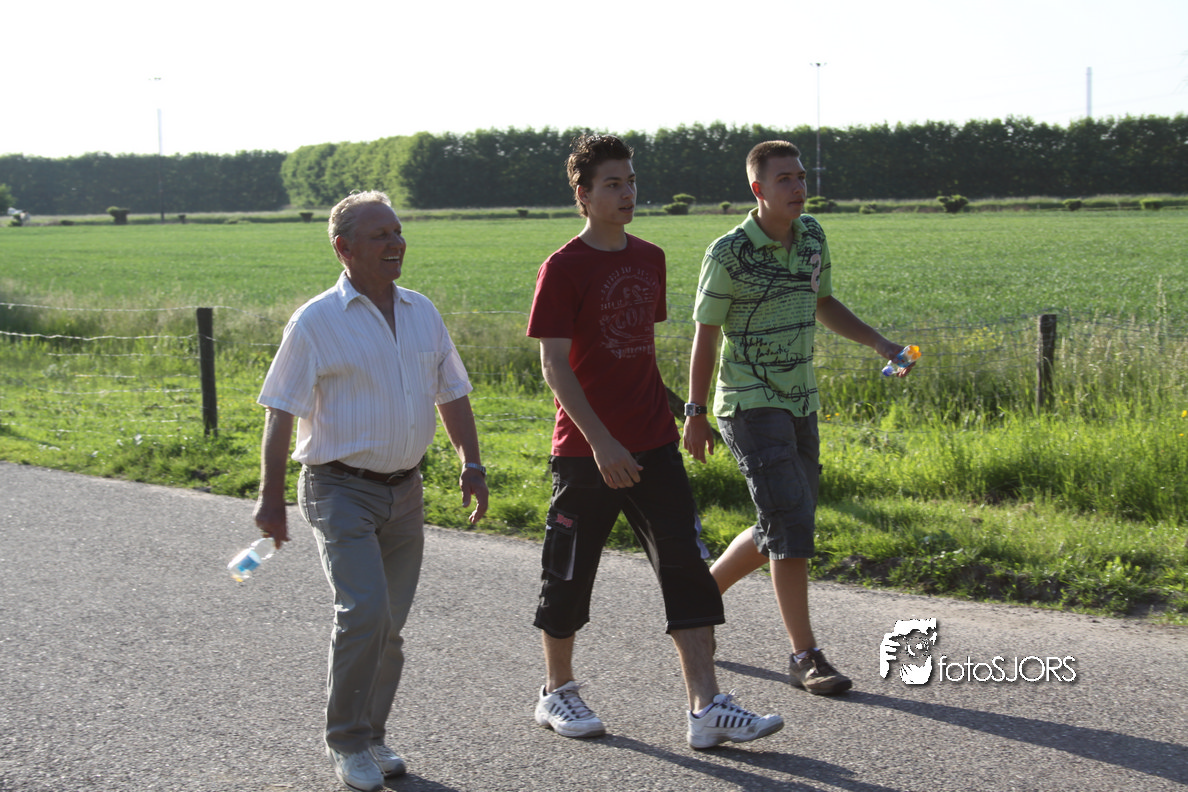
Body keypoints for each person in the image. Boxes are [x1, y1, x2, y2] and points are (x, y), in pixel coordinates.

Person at [526, 134, 783, 750]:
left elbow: (631, 355)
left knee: (687, 570)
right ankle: (556, 690)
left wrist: (684, 410)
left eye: (631, 181)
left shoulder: (649, 258)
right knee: (568, 575)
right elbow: (555, 365)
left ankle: (706, 707)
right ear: (583, 195)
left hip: (655, 445)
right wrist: (602, 443)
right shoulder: (563, 268)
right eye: (612, 184)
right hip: (587, 453)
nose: (627, 193)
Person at [253, 191, 489, 792]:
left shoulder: (421, 311)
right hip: (339, 489)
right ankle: (347, 741)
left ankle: (373, 734)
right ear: (345, 248)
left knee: (389, 626)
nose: (395, 243)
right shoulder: (315, 321)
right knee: (364, 614)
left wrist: (472, 463)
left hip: (405, 491)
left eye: (398, 231)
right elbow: (280, 410)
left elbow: (452, 392)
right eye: (380, 235)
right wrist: (270, 498)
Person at [683, 140, 913, 696]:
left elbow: (823, 302)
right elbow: (705, 336)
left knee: (784, 520)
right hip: (748, 402)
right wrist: (694, 412)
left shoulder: (811, 236)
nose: (798, 187)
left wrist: (880, 343)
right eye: (784, 178)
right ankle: (805, 656)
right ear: (758, 189)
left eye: (802, 176)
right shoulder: (729, 253)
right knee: (790, 525)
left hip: (801, 400)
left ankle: (694, 603)